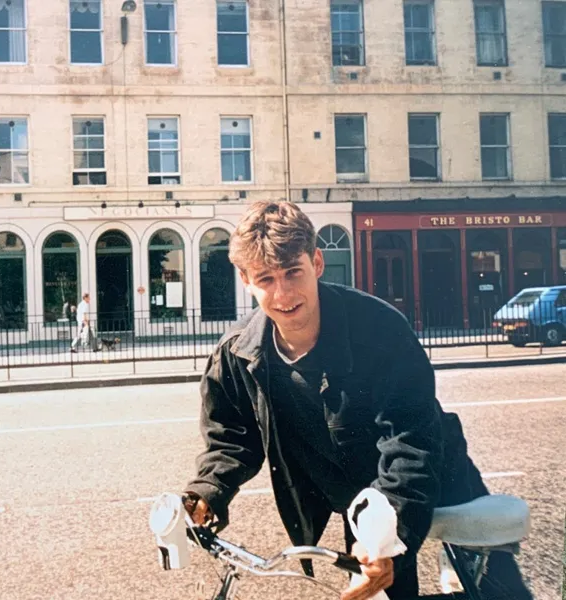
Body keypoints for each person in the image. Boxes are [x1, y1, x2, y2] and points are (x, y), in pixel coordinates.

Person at [182, 201, 532, 600]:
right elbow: (231, 440)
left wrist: (392, 536)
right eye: (265, 278)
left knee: (493, 589)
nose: (282, 293)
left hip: (432, 474)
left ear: (316, 262)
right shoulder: (236, 353)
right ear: (245, 279)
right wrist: (205, 493)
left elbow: (410, 443)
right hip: (359, 498)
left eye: (293, 272)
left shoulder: (380, 329)